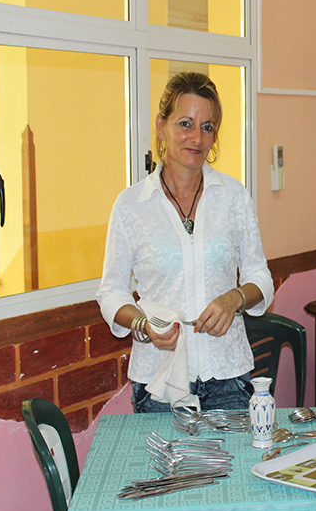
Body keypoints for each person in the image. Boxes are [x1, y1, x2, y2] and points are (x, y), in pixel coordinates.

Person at [97, 71, 274, 413]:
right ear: (161, 126)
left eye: (207, 127)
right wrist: (143, 324)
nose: (196, 137)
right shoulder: (132, 205)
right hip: (159, 379)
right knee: (166, 454)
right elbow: (111, 292)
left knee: (234, 452)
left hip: (228, 376)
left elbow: (260, 278)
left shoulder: (233, 197)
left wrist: (235, 299)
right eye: (185, 124)